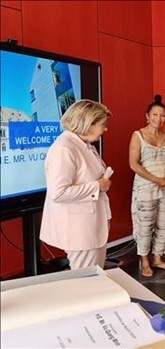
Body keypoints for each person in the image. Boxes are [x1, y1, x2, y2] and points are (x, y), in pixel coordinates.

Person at [40, 100, 112, 270]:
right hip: (79, 230)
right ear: (87, 123)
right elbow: (58, 193)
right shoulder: (64, 148)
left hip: (91, 225)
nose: (105, 129)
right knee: (85, 282)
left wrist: (101, 182)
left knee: (94, 278)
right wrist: (97, 186)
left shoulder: (85, 144)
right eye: (103, 125)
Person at [129, 95, 165, 278]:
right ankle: (145, 261)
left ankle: (157, 258)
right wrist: (156, 180)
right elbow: (134, 164)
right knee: (145, 225)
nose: (159, 118)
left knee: (164, 224)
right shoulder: (138, 136)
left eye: (162, 115)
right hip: (146, 188)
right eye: (155, 114)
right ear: (147, 116)